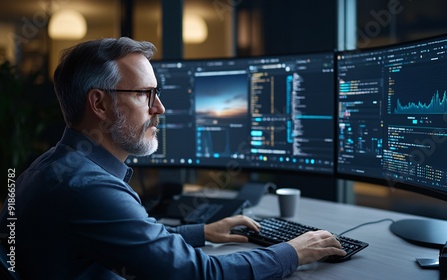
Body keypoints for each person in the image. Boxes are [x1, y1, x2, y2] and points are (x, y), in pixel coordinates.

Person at [0, 37, 346, 279]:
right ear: (100, 104)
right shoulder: (86, 188)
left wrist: (203, 231)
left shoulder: (54, 166)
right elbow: (197, 273)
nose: (159, 108)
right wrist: (293, 251)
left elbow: (132, 237)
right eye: (144, 94)